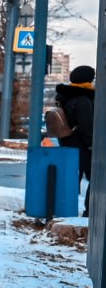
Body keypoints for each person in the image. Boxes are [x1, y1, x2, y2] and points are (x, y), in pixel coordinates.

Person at [54, 64, 94, 216]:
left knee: (71, 179)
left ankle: (64, 210)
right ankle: (90, 211)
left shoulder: (66, 97)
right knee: (96, 178)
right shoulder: (83, 99)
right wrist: (91, 144)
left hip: (68, 143)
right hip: (83, 146)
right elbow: (86, 125)